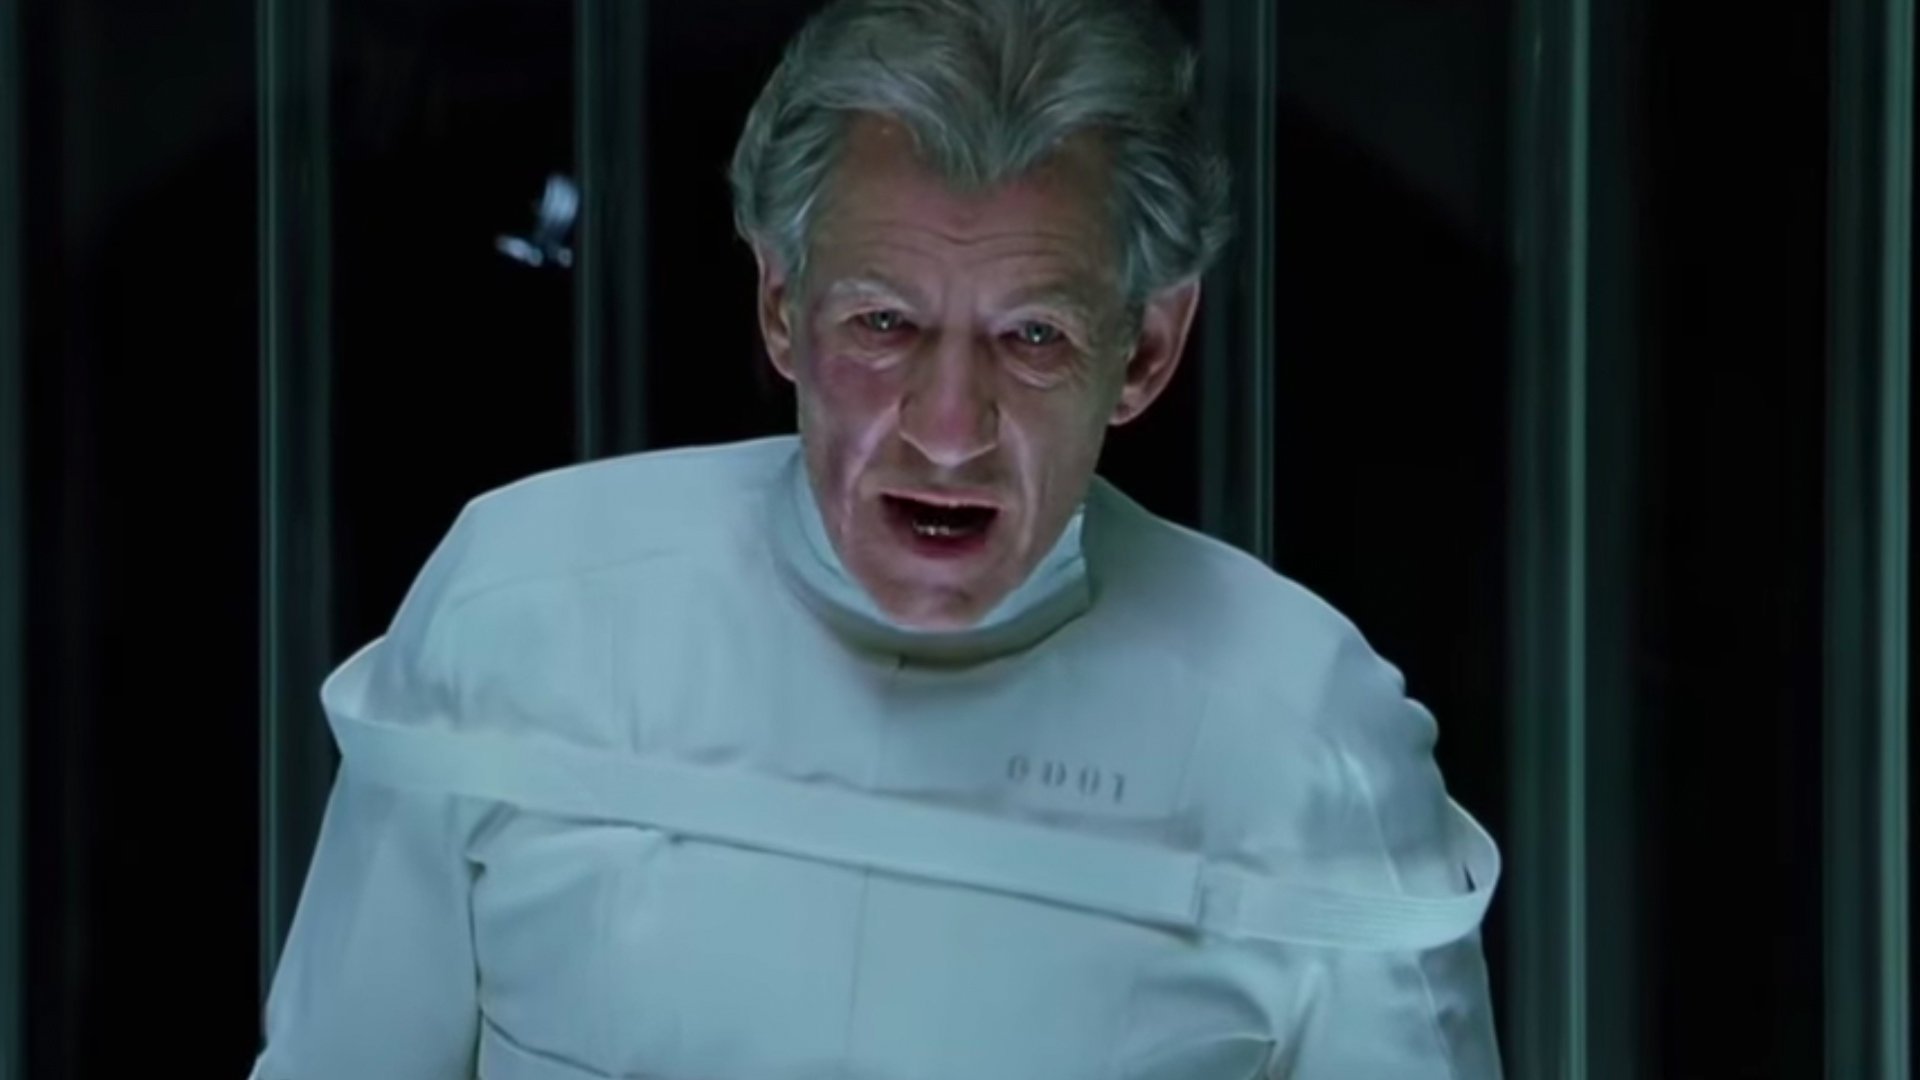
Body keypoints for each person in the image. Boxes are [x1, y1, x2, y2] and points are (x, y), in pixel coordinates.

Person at [247, 0, 1504, 1076]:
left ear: (1148, 350)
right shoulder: (519, 613)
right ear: (780, 308)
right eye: (885, 324)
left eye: (1033, 335)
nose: (948, 431)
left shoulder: (1309, 737)